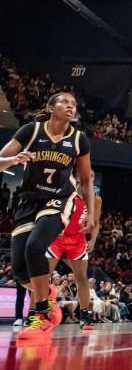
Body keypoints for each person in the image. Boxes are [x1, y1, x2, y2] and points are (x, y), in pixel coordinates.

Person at [0, 92, 95, 342]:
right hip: (28, 201)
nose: (70, 106)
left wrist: (91, 215)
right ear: (50, 107)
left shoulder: (78, 139)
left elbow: (85, 181)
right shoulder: (31, 131)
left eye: (74, 104)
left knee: (35, 247)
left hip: (58, 200)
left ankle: (39, 317)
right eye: (65, 102)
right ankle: (48, 293)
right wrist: (11, 160)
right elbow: (0, 160)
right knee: (21, 273)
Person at [46, 173, 102, 331]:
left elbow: (96, 222)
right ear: (78, 179)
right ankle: (37, 314)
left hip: (77, 241)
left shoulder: (96, 199)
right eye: (84, 176)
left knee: (82, 278)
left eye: (91, 177)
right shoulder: (67, 193)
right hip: (58, 237)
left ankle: (85, 315)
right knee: (43, 276)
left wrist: (93, 239)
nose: (87, 179)